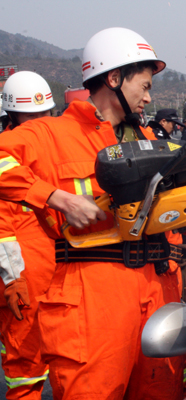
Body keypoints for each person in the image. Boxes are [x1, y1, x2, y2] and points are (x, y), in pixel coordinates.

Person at [0, 27, 185, 398]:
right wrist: (55, 196)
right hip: (92, 301)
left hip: (158, 291)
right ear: (114, 79)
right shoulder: (50, 134)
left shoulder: (150, 142)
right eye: (144, 86)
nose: (149, 97)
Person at [0, 71, 56, 399]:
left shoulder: (46, 153)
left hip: (51, 278)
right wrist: (12, 280)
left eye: (43, 114)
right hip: (20, 283)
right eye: (30, 116)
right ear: (13, 116)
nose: (38, 122)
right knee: (25, 363)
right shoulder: (6, 160)